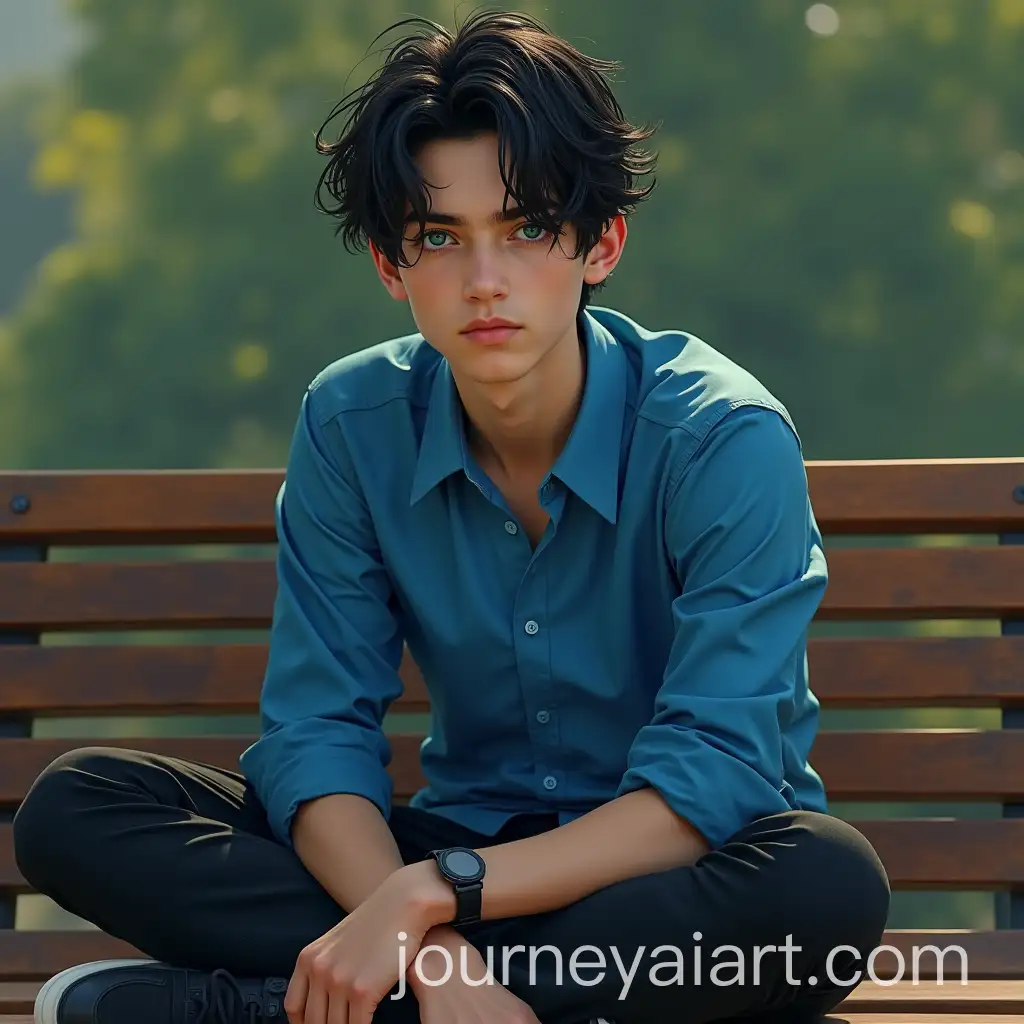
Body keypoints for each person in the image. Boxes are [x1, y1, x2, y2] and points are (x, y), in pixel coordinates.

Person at [13, 8, 890, 1024]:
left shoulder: (721, 436)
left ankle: (263, 1004)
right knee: (80, 805)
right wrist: (433, 956)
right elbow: (316, 735)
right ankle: (445, 998)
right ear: (392, 265)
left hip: (658, 872)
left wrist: (428, 902)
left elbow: (717, 771)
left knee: (824, 883)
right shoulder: (352, 425)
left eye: (525, 228)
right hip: (459, 861)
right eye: (440, 238)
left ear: (600, 241)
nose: (485, 281)